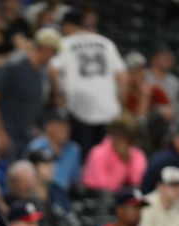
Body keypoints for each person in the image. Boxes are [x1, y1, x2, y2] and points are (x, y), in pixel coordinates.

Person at [50, 9, 127, 157]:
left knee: (85, 156)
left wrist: (58, 96)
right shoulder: (105, 42)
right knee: (106, 155)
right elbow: (123, 75)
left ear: (67, 26)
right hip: (108, 109)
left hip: (80, 109)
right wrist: (119, 101)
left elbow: (53, 70)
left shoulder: (65, 43)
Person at [0, 27, 61, 158]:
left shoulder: (44, 70)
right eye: (53, 52)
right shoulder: (15, 66)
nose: (53, 57)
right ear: (46, 49)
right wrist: (0, 131)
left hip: (26, 133)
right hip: (9, 133)